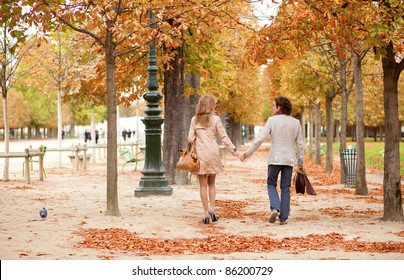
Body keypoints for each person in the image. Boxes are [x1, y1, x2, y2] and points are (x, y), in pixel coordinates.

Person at [240, 96, 304, 225]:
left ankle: (275, 207)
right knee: (285, 188)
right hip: (288, 159)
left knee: (271, 184)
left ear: (279, 107)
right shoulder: (295, 122)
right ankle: (283, 218)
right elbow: (300, 145)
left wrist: (248, 153)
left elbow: (260, 139)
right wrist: (300, 162)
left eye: (274, 105)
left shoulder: (272, 120)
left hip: (275, 159)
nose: (272, 108)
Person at [187, 94, 241, 224]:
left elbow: (189, 139)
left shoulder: (194, 120)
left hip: (200, 154)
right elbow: (224, 137)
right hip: (213, 153)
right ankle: (212, 208)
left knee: (202, 185)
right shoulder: (216, 119)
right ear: (211, 105)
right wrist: (235, 151)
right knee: (212, 183)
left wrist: (196, 141)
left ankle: (206, 212)